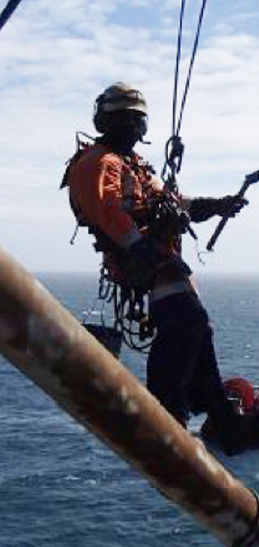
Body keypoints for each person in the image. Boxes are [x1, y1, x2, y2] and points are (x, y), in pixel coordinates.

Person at [62, 82, 256, 455]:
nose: (132, 128)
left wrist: (217, 205)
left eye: (136, 121)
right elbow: (107, 212)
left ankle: (218, 412)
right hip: (141, 260)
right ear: (107, 122)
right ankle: (168, 414)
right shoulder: (99, 163)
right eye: (125, 120)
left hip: (155, 257)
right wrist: (143, 249)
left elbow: (174, 202)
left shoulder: (132, 165)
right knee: (186, 322)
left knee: (197, 326)